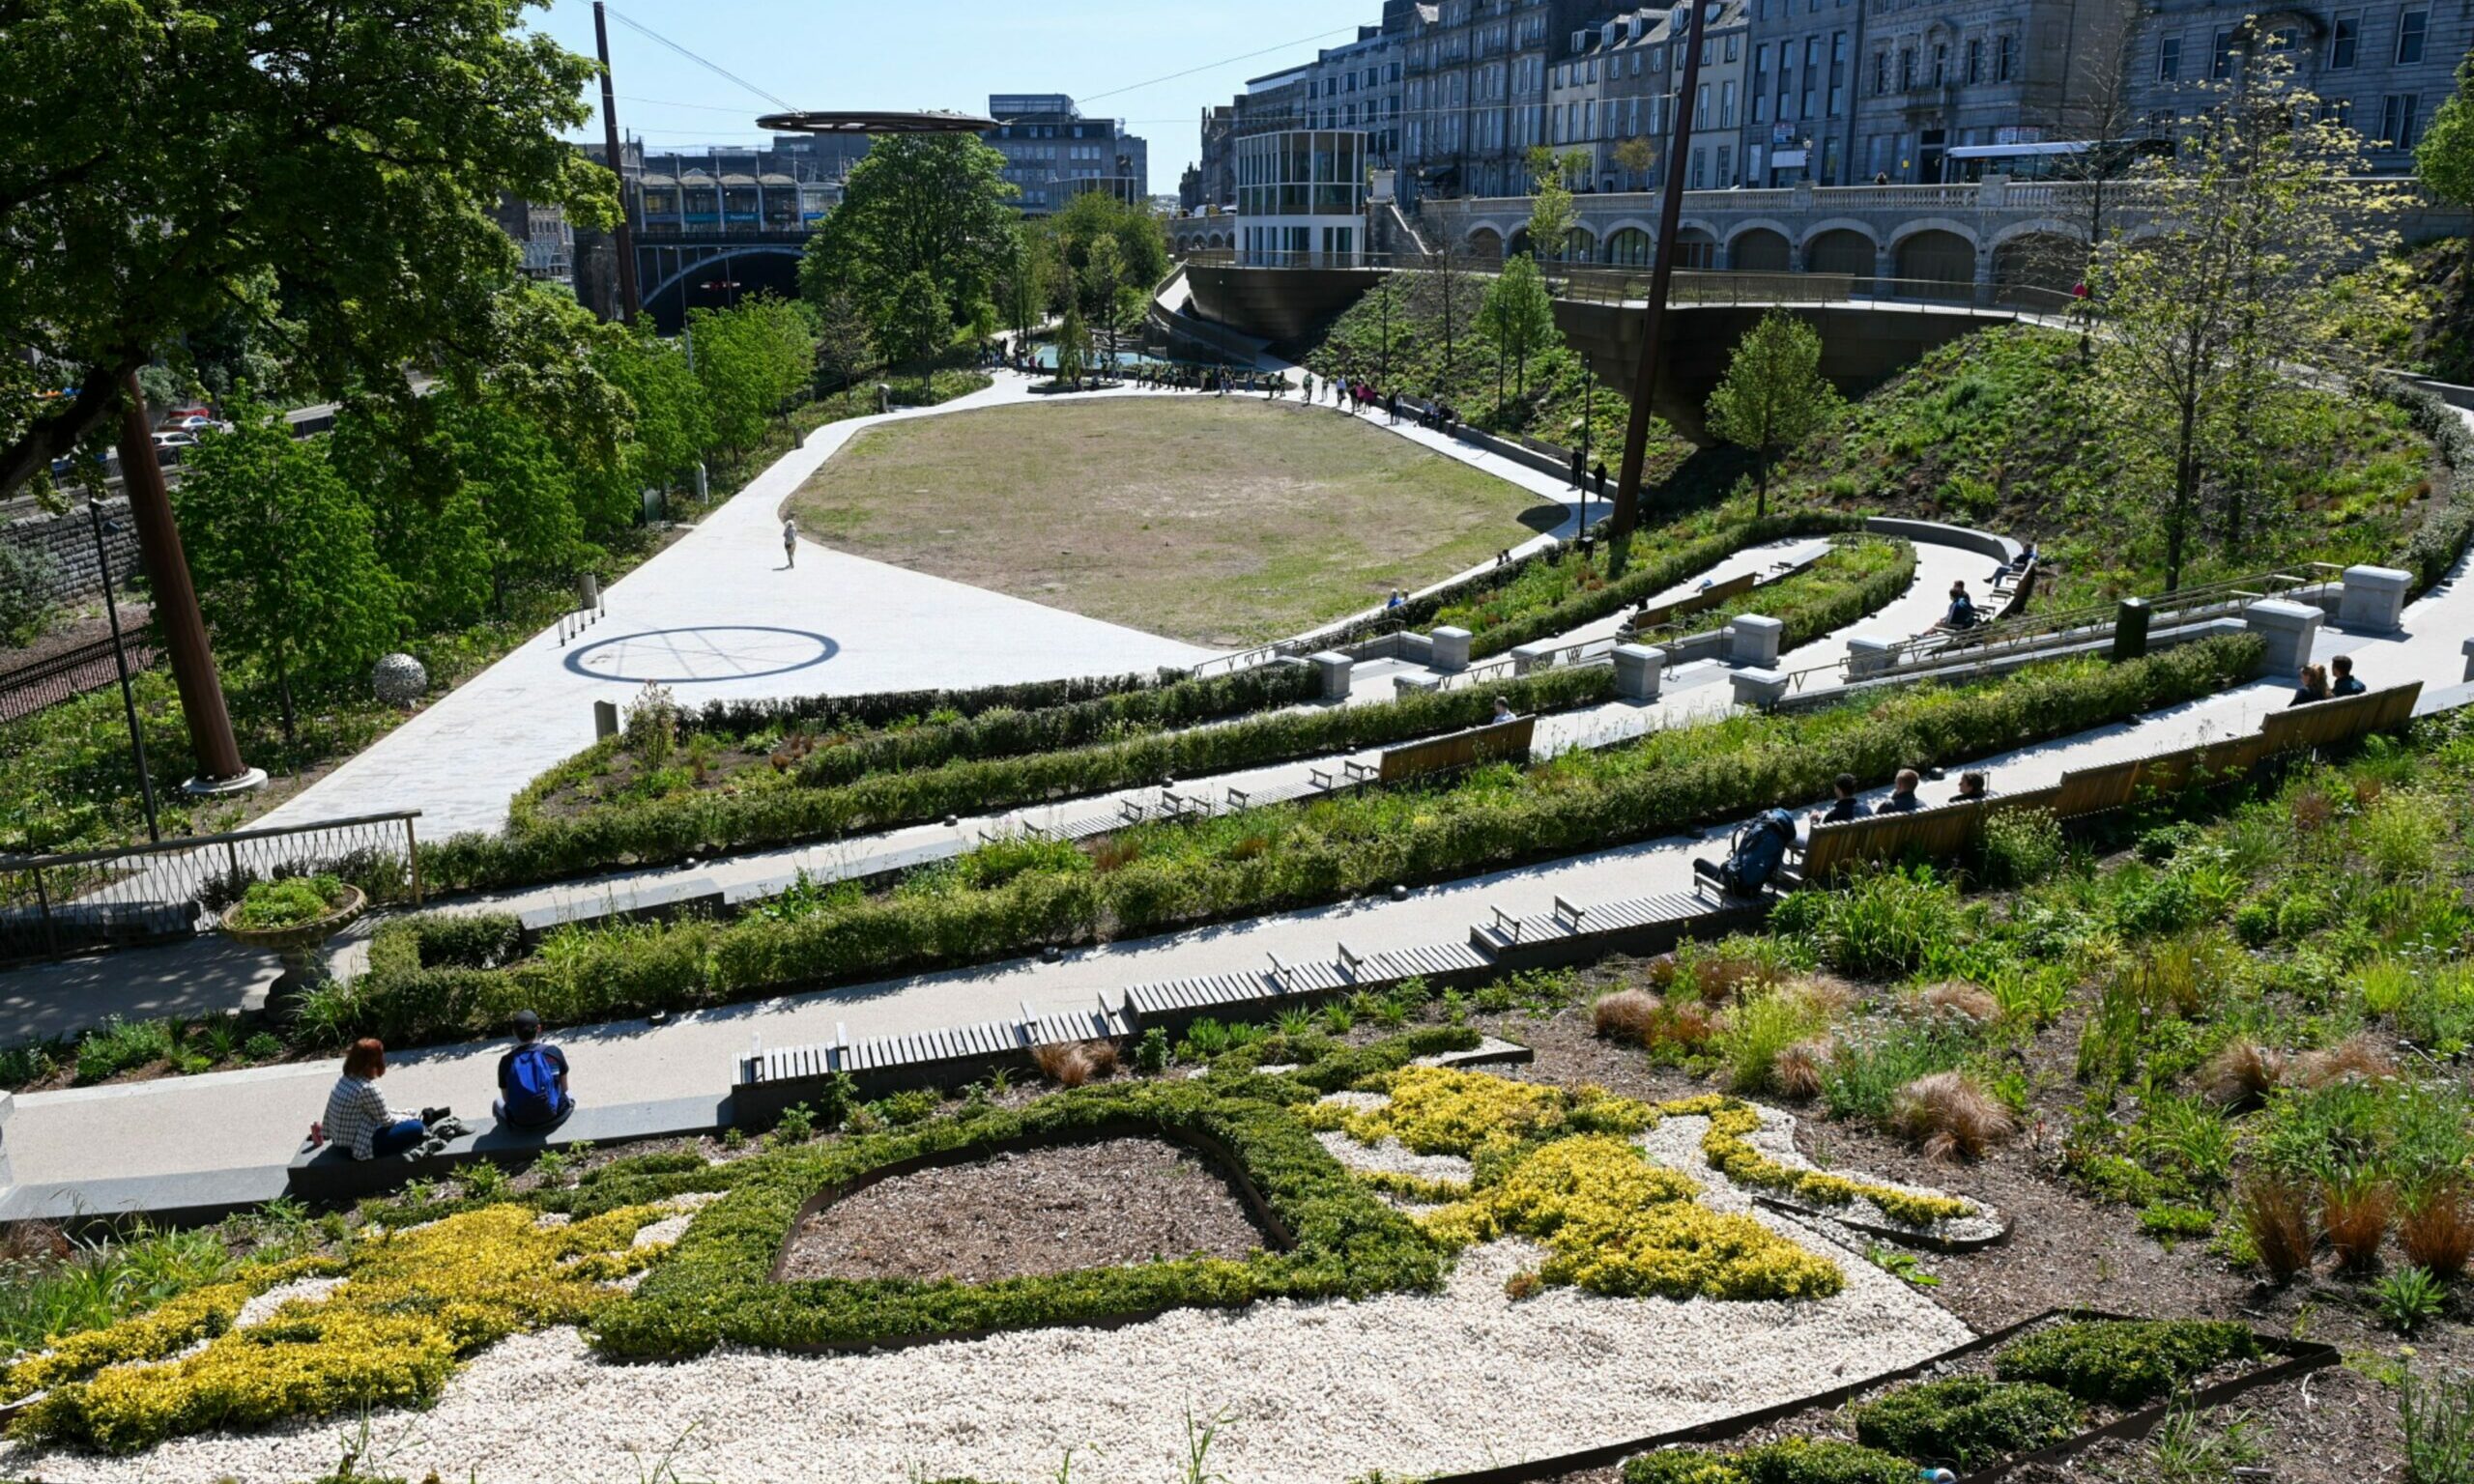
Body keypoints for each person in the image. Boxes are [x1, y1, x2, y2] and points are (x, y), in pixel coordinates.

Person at [320, 1039, 447, 1160]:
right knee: (417, 1128)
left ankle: (415, 1118)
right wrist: (410, 1117)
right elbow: (387, 1121)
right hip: (355, 1147)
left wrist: (405, 1113)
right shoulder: (367, 1088)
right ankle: (423, 1122)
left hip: (339, 1143)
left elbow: (376, 1112)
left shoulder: (343, 1079)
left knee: (406, 1119)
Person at [495, 1010, 573, 1129]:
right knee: (571, 1094)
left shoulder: (506, 1061)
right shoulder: (553, 1052)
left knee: (497, 1103)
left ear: (514, 1033)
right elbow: (564, 1088)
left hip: (521, 1122)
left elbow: (506, 1099)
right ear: (539, 1028)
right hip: (556, 1115)